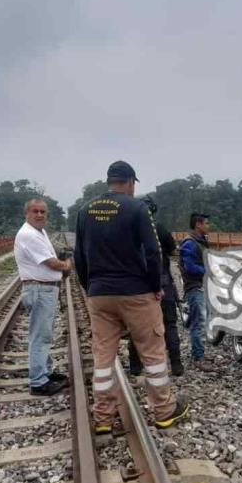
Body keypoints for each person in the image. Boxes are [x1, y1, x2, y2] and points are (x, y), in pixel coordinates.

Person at [74, 160, 189, 432]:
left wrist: (90, 286)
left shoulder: (84, 210)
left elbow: (80, 255)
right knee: (152, 352)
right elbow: (153, 252)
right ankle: (163, 411)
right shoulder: (136, 208)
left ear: (109, 180)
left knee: (103, 357)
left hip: (99, 294)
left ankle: (103, 417)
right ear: (130, 182)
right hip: (136, 292)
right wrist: (155, 285)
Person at [14, 198, 72, 396]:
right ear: (27, 214)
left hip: (44, 289)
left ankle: (45, 372)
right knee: (40, 336)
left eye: (42, 212)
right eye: (35, 211)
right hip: (40, 290)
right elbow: (51, 263)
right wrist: (67, 265)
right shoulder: (29, 234)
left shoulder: (40, 232)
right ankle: (38, 383)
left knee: (43, 334)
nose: (39, 215)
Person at [128, 196, 184, 377]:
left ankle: (136, 367)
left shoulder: (128, 229)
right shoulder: (159, 228)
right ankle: (176, 365)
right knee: (169, 324)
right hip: (162, 282)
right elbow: (174, 252)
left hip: (138, 285)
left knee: (136, 327)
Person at [179, 212, 215, 372]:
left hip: (201, 286)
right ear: (198, 224)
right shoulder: (190, 243)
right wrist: (208, 270)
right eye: (206, 223)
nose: (208, 226)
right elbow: (190, 267)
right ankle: (198, 359)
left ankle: (199, 354)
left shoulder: (200, 241)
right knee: (198, 323)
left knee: (202, 321)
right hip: (195, 287)